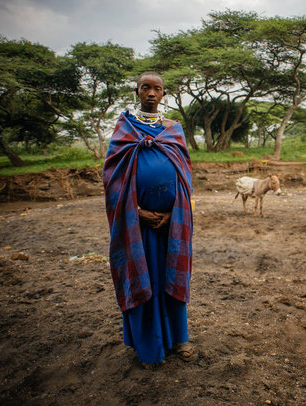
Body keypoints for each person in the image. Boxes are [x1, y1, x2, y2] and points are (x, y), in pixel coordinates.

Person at [102, 71, 194, 367]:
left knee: (171, 277)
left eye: (157, 89)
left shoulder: (173, 129)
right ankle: (148, 347)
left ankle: (179, 340)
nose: (151, 93)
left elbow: (184, 176)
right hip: (136, 227)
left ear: (163, 94)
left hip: (171, 225)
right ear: (137, 92)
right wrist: (137, 212)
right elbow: (113, 180)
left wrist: (171, 213)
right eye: (146, 88)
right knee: (142, 278)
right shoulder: (124, 129)